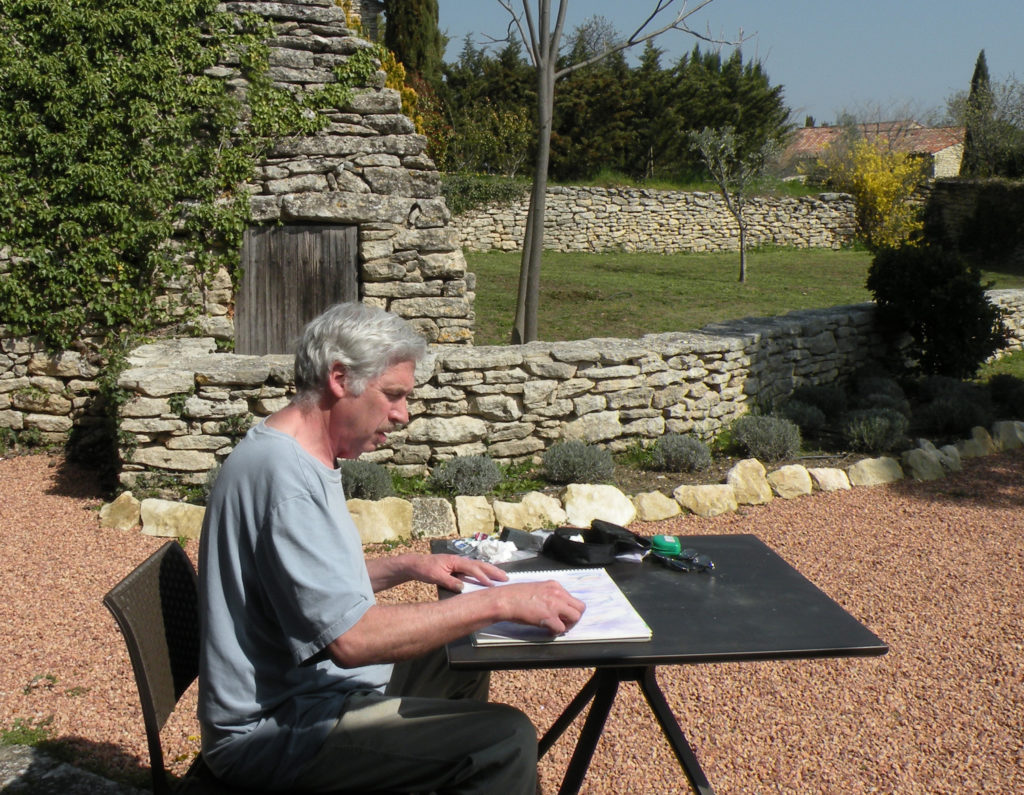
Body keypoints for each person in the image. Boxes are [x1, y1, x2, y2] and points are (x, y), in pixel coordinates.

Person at [198, 301, 585, 794]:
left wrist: (407, 564)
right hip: (272, 731)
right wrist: (502, 601)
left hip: (305, 695)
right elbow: (353, 641)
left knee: (459, 655)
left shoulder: (295, 451)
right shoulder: (286, 480)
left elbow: (302, 582)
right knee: (503, 739)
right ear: (339, 378)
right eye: (394, 395)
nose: (403, 415)